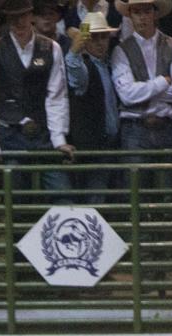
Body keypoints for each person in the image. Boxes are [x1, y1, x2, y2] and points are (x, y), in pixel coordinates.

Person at [0, 0, 74, 191]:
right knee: (15, 197)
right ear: (8, 20)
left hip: (43, 135)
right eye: (14, 18)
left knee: (62, 193)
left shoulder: (51, 48)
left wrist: (59, 139)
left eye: (23, 15)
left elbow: (57, 96)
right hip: (9, 134)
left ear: (31, 16)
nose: (19, 22)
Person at [112, 0, 172, 157]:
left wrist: (141, 91)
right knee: (135, 180)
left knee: (168, 180)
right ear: (130, 16)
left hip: (167, 126)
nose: (142, 17)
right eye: (137, 13)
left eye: (146, 12)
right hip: (135, 129)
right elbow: (127, 95)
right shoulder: (121, 50)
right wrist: (163, 82)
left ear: (155, 14)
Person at [65, 12, 122, 201]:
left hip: (112, 146)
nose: (100, 43)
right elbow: (75, 72)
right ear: (86, 42)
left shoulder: (109, 64)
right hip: (94, 148)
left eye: (103, 37)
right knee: (96, 199)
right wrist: (74, 50)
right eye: (94, 38)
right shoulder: (85, 67)